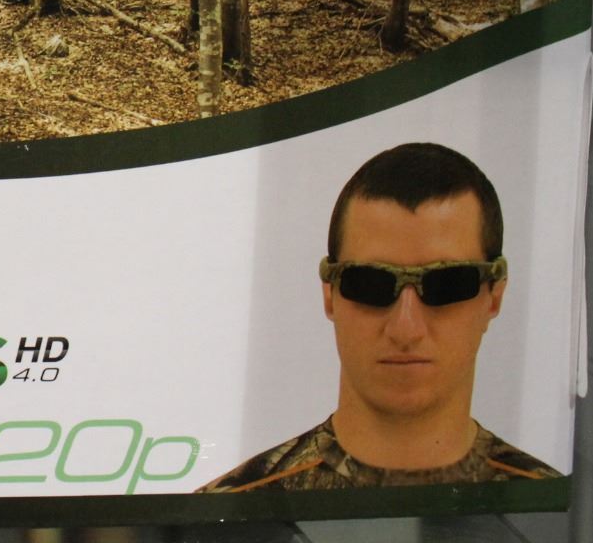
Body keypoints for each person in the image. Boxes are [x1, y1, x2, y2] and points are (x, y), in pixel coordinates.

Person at [201, 142, 559, 491]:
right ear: (329, 294)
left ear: (494, 295)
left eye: (448, 284)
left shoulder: (558, 515)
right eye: (370, 284)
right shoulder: (225, 515)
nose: (406, 328)